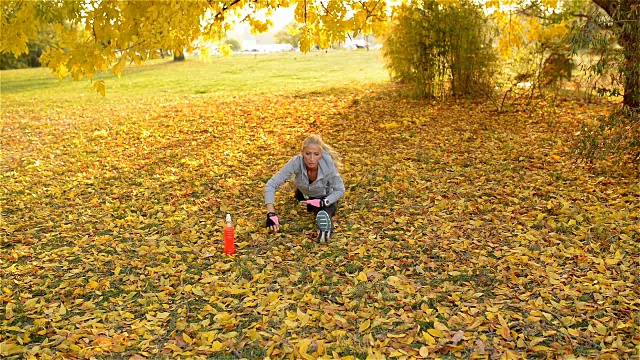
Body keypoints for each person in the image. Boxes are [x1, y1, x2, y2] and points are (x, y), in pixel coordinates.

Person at [264, 135, 345, 243]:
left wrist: (322, 202)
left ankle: (324, 230)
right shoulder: (296, 162)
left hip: (324, 197)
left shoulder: (328, 166)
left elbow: (340, 190)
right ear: (302, 153)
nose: (311, 159)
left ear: (321, 154)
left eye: (316, 154)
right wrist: (271, 213)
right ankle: (315, 210)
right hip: (304, 194)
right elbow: (271, 184)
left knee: (325, 209)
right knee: (303, 199)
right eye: (308, 154)